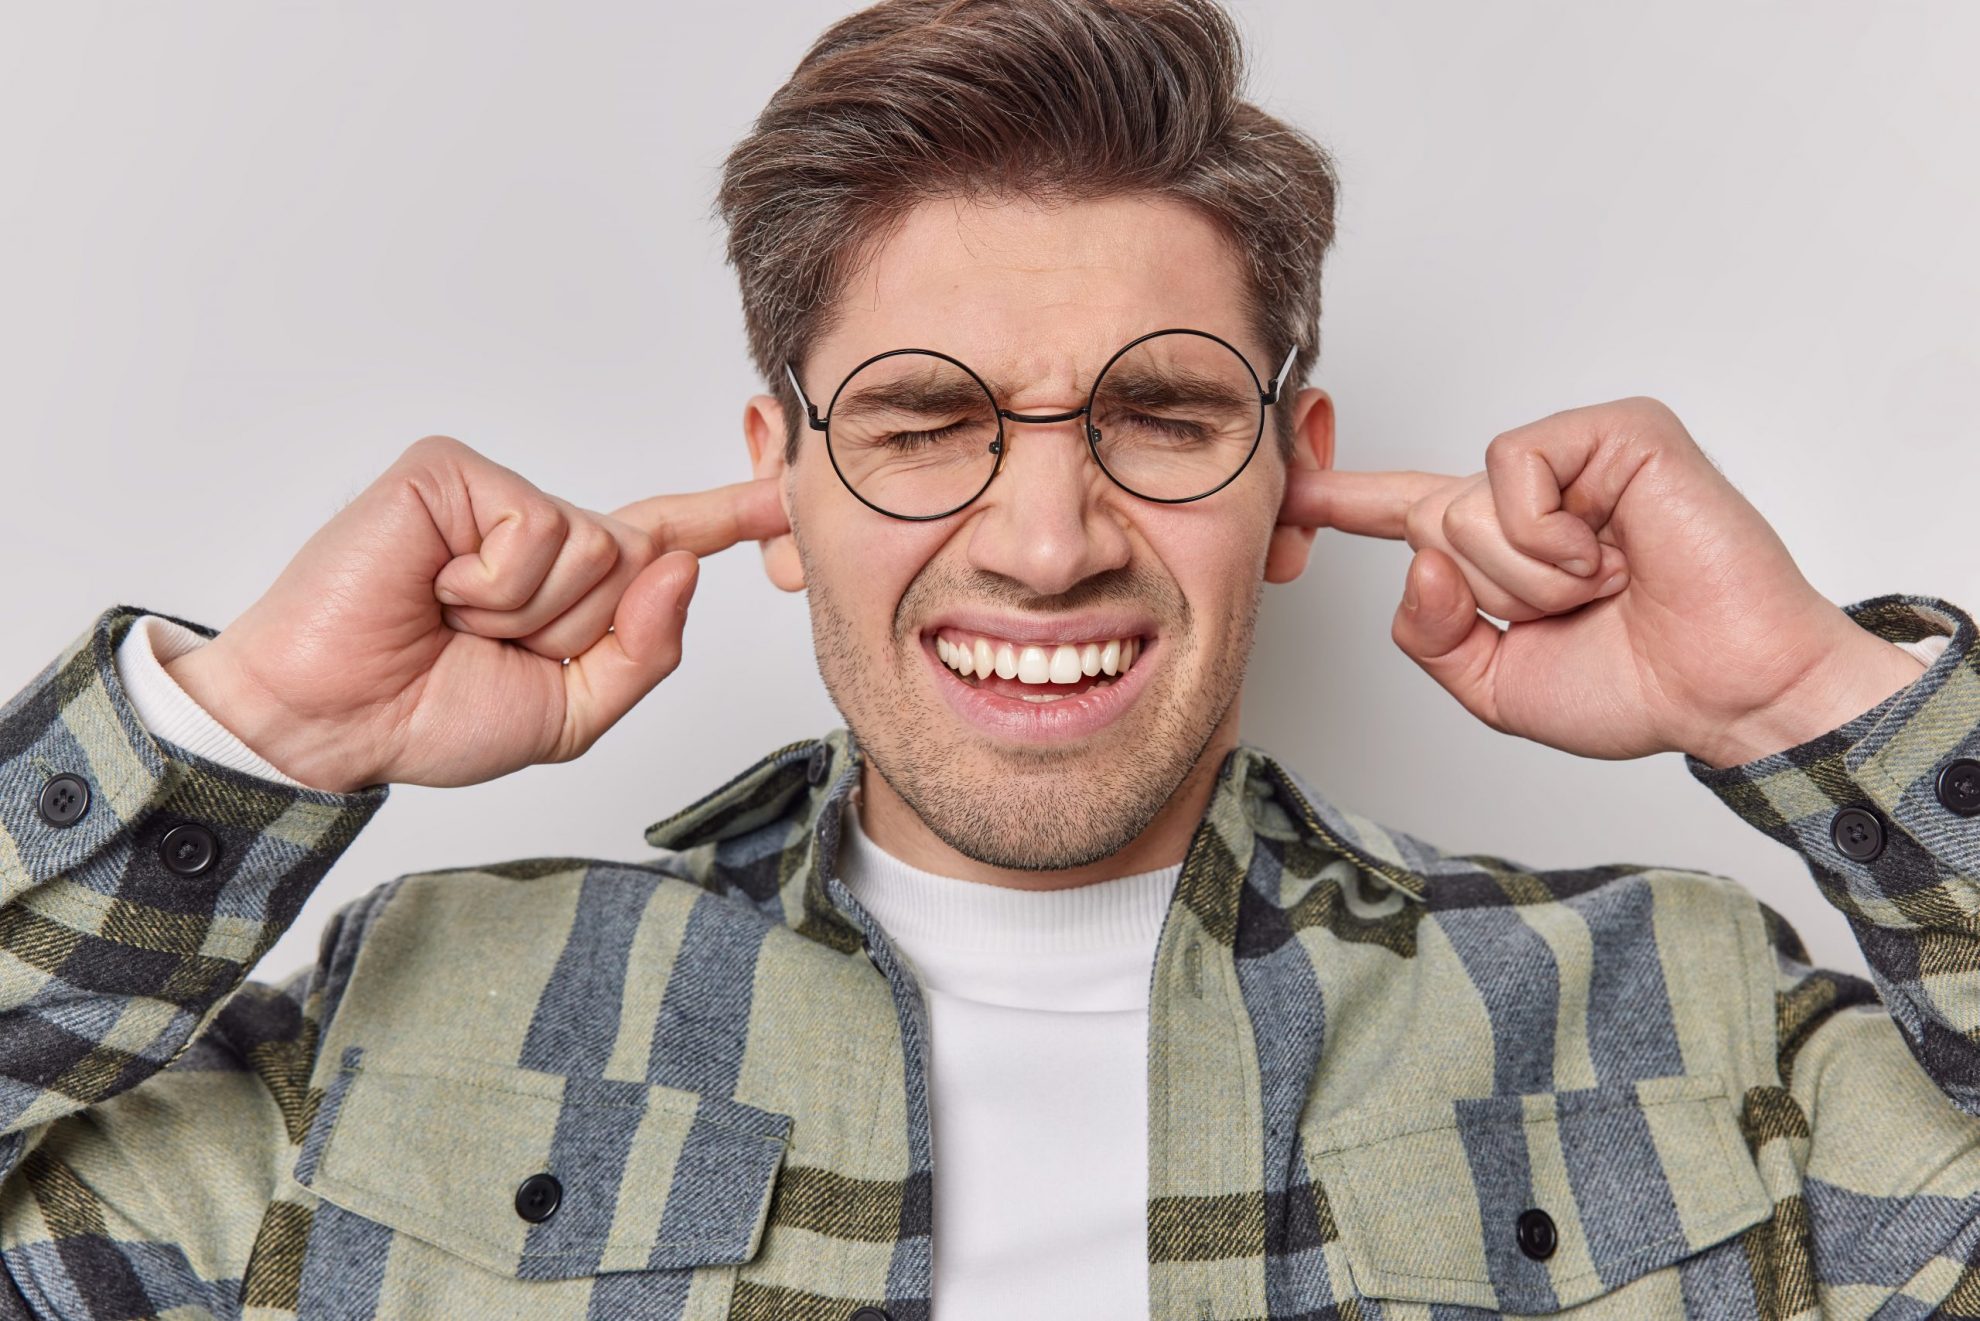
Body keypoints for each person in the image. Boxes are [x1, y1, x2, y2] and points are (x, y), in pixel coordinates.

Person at [1, 0, 1975, 1317]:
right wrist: (251, 734)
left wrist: (1802, 700)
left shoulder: (1693, 1024)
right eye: (928, 420)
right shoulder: (409, 1020)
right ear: (779, 483)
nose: (1046, 542)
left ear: (1294, 475)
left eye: (1169, 412)